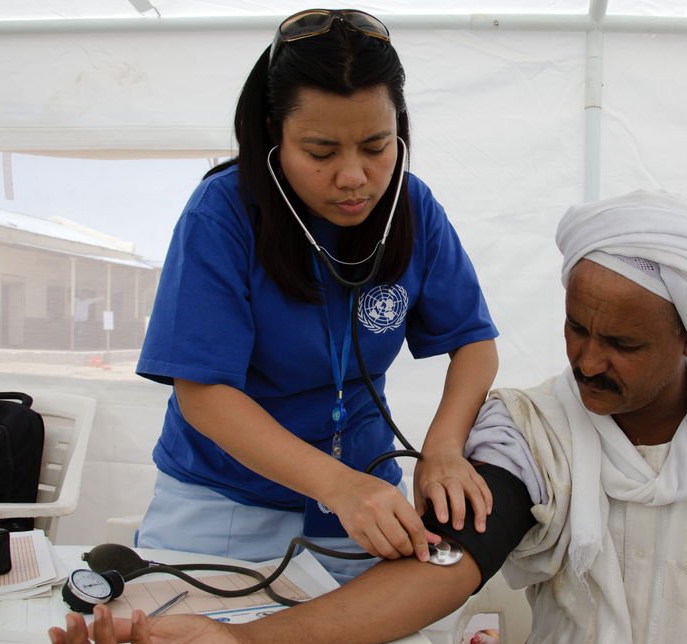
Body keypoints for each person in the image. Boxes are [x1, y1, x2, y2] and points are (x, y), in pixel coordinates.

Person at [52, 189, 687, 644]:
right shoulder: (532, 426)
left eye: (622, 345)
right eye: (576, 328)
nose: (586, 360)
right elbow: (446, 570)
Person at [133, 8, 500, 583]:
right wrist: (337, 486)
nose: (353, 177)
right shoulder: (222, 214)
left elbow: (474, 344)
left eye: (377, 147)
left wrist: (445, 448)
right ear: (272, 136)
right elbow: (203, 392)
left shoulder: (412, 207)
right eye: (322, 153)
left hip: (367, 503)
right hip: (225, 504)